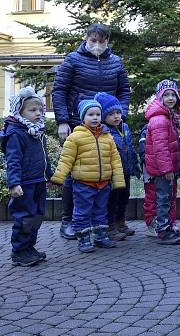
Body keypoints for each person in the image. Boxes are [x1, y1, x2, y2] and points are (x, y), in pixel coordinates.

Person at [52, 23, 130, 240]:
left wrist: (120, 114)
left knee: (106, 171)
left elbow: (123, 90)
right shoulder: (73, 60)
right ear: (86, 39)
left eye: (101, 41)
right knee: (73, 173)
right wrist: (62, 121)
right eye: (93, 40)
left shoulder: (115, 62)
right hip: (78, 124)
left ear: (107, 42)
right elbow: (59, 91)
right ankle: (68, 221)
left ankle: (104, 223)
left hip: (107, 126)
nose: (97, 45)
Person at [50, 99, 126, 253]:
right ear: (83, 117)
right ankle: (84, 238)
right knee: (82, 212)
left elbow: (115, 160)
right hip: (83, 184)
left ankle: (100, 236)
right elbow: (66, 160)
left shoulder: (107, 137)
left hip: (104, 183)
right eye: (91, 114)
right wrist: (58, 178)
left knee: (101, 211)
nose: (95, 118)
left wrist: (118, 180)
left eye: (98, 114)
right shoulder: (75, 137)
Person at [0, 86, 52, 266]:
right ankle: (19, 251)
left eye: (40, 109)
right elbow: (13, 160)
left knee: (36, 216)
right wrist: (14, 184)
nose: (38, 113)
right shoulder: (15, 134)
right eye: (32, 110)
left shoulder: (37, 131)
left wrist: (49, 175)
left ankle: (30, 247)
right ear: (19, 111)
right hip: (24, 184)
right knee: (24, 217)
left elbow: (45, 156)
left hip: (38, 181)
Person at [144, 79, 180, 245]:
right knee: (163, 199)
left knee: (168, 198)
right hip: (162, 170)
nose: (170, 98)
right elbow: (160, 148)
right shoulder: (160, 120)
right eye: (166, 95)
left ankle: (167, 226)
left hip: (166, 168)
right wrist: (167, 170)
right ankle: (162, 230)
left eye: (173, 95)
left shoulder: (169, 116)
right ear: (159, 98)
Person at [94, 92, 139, 242]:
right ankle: (110, 227)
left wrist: (135, 165)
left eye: (118, 112)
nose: (116, 116)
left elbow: (130, 147)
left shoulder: (124, 127)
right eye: (111, 113)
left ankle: (121, 223)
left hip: (125, 171)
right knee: (112, 200)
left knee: (124, 198)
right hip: (113, 173)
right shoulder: (104, 131)